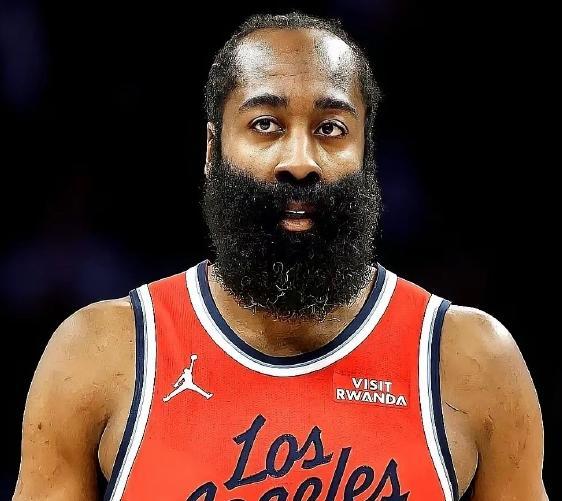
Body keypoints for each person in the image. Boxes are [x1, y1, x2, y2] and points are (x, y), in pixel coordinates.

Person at [13, 12, 547, 501]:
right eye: (265, 124)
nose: (299, 160)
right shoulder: (101, 354)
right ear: (212, 149)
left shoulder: (472, 361)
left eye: (330, 129)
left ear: (366, 153)